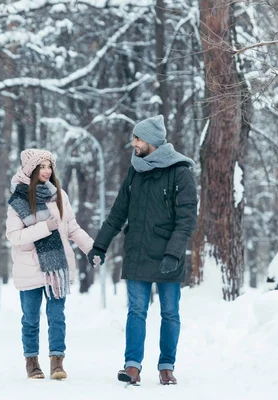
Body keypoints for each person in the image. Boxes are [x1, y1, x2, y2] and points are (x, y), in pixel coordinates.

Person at [87, 115, 197, 386]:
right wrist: (100, 244)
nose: (133, 143)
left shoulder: (180, 172)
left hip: (168, 257)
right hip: (137, 252)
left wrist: (173, 252)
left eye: (137, 138)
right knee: (136, 310)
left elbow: (187, 219)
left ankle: (166, 366)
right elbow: (118, 212)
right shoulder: (135, 170)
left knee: (169, 312)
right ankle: (132, 366)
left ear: (152, 141)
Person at [6, 148, 94, 380]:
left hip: (57, 268)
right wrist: (45, 227)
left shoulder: (59, 195)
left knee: (57, 316)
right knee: (31, 318)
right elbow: (14, 236)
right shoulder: (18, 199)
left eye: (49, 166)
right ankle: (32, 362)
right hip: (30, 269)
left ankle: (57, 361)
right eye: (41, 166)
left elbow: (71, 227)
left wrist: (91, 248)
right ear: (31, 169)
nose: (46, 171)